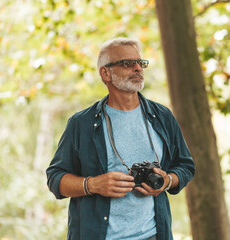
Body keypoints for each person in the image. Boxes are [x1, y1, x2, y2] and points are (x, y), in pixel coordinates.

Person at [46, 37, 195, 240]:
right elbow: (55, 178)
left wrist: (167, 180)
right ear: (105, 73)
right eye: (127, 63)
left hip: (153, 235)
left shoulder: (162, 116)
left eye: (140, 63)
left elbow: (185, 166)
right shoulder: (82, 123)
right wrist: (93, 185)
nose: (137, 68)